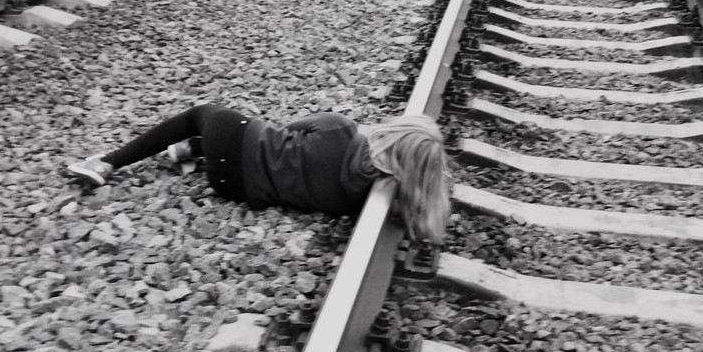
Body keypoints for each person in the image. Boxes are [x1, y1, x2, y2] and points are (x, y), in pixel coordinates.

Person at [67, 103, 451, 244]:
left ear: (390, 132)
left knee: (202, 114)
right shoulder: (362, 199)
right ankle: (191, 150)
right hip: (233, 187)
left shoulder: (340, 128)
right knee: (243, 144)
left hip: (233, 143)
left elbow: (285, 129)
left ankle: (108, 163)